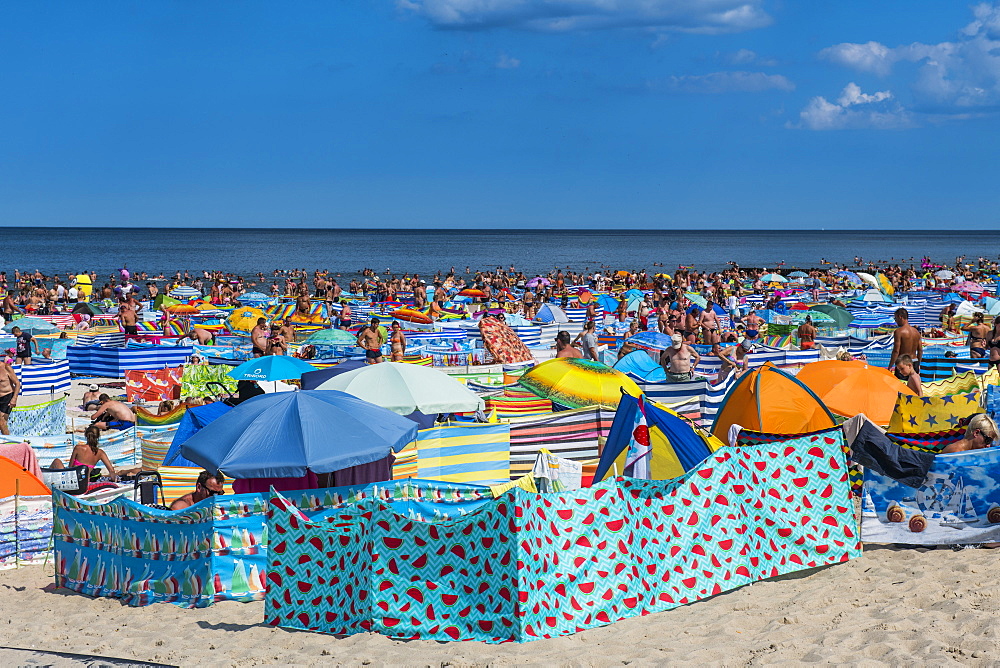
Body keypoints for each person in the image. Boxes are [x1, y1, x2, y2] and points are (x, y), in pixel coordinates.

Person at [888, 308, 922, 373]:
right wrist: (918, 364)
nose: (896, 321)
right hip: (915, 362)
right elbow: (920, 350)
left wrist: (890, 366)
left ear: (900, 317)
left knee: (901, 383)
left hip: (903, 363)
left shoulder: (899, 332)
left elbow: (896, 351)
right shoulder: (916, 332)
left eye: (896, 319)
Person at [0, 358, 20, 436]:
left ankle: (8, 443)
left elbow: (17, 383)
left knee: (2, 422)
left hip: (7, 397)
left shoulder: (6, 367)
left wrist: (14, 399)